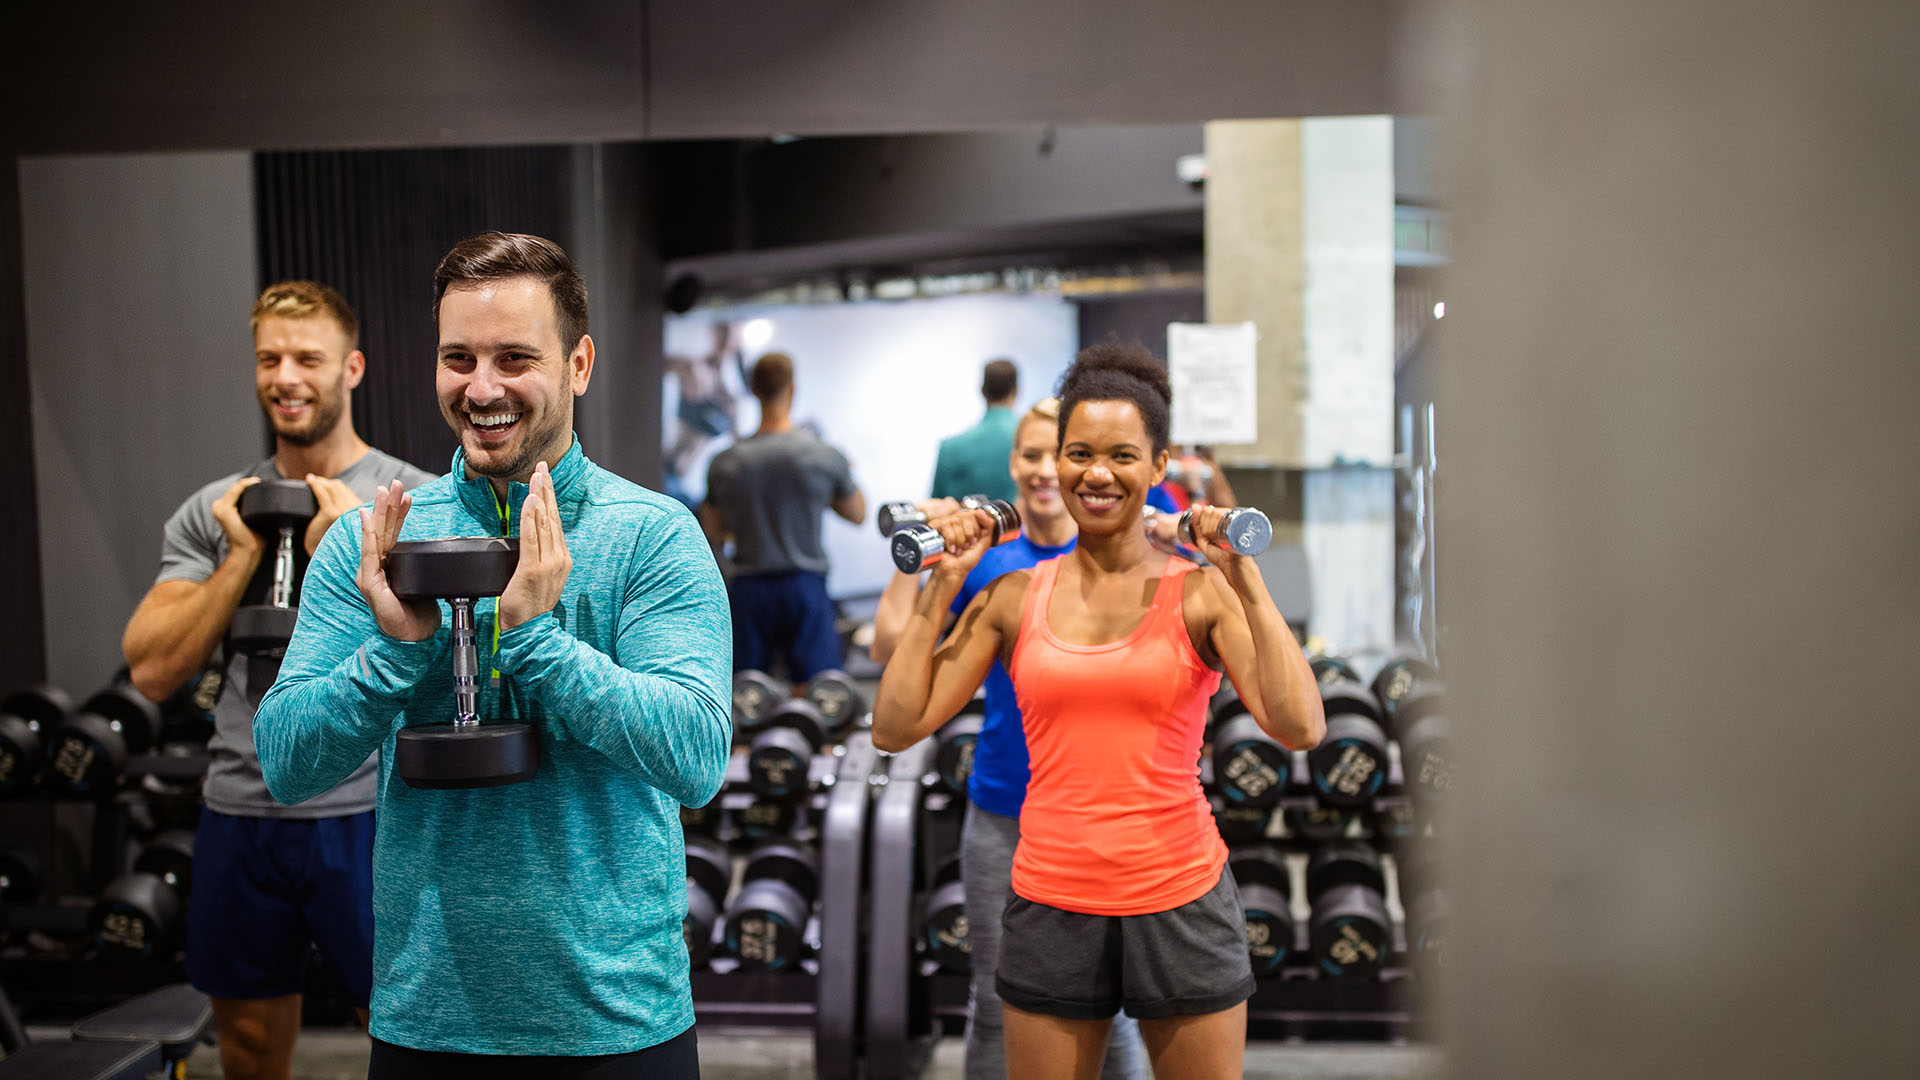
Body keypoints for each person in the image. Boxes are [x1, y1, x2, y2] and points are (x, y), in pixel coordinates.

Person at [253, 232, 730, 1077]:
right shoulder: (376, 541)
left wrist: (540, 642)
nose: (481, 389)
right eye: (457, 358)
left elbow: (694, 757)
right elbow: (286, 761)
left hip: (615, 1021)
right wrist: (396, 654)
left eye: (515, 357)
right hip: (428, 1017)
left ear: (578, 364)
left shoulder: (653, 537)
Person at [872, 343, 1324, 1080]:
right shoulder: (1014, 598)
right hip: (1051, 899)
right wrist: (940, 584)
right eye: (1079, 452)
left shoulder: (1200, 593)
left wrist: (1242, 572)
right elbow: (894, 726)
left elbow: (1300, 724)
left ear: (1157, 466)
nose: (1096, 472)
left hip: (1180, 893)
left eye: (1122, 454)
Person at [121, 281, 434, 1080]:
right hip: (241, 809)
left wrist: (338, 558)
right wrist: (241, 557)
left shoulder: (416, 503)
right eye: (269, 358)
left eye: (307, 358)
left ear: (352, 368)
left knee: (406, 1034)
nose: (285, 377)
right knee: (251, 1047)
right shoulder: (218, 512)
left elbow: (436, 663)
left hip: (369, 812)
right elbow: (153, 669)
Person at [870, 397, 1151, 1080]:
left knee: (1109, 1008)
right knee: (997, 1001)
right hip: (1004, 805)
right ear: (1016, 464)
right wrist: (926, 561)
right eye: (1031, 455)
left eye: (1066, 454)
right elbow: (889, 648)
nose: (1046, 470)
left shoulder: (1111, 554)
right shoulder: (992, 556)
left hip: (1101, 815)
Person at [700, 352, 865, 681]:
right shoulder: (823, 455)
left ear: (754, 390)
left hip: (750, 589)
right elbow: (858, 513)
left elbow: (713, 532)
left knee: (746, 697)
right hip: (805, 586)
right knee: (821, 694)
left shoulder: (725, 462)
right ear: (792, 389)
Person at [931, 358, 1021, 504]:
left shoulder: (951, 448)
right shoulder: (1030, 444)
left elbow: (936, 508)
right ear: (1016, 391)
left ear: (983, 390)